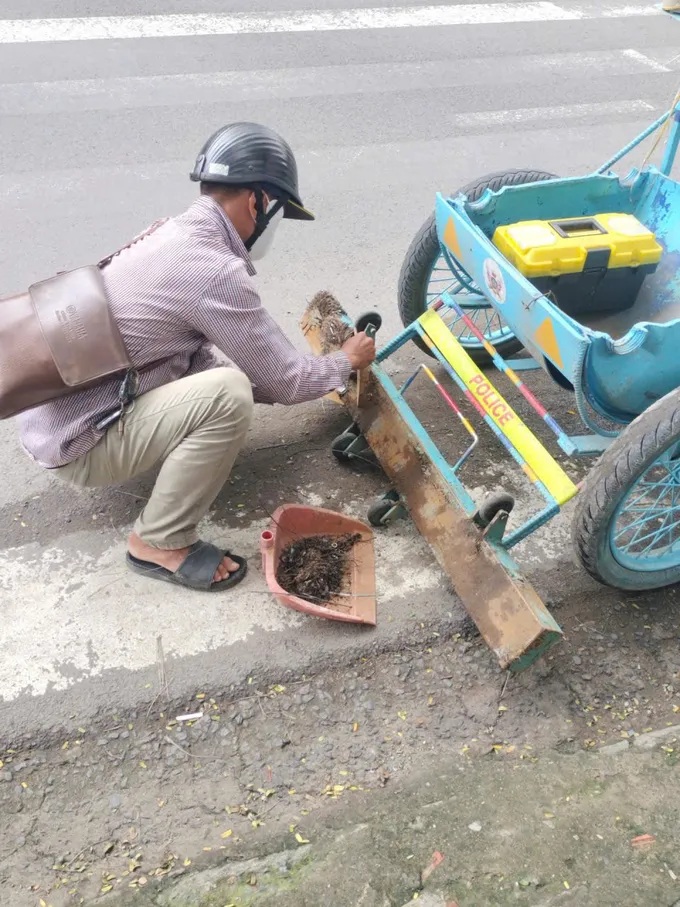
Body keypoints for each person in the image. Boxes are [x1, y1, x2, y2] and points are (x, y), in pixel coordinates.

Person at [16, 122, 376, 593]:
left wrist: (251, 376)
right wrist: (346, 361)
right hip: (81, 444)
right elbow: (284, 383)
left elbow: (184, 346)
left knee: (229, 380)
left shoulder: (171, 233)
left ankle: (166, 468)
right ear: (258, 202)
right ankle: (159, 540)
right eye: (280, 214)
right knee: (227, 394)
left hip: (57, 418)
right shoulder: (213, 268)